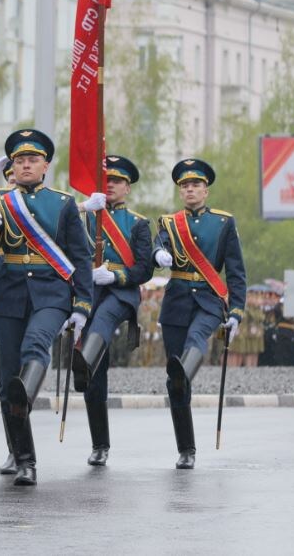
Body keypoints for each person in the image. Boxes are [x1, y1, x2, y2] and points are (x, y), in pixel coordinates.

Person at [0, 129, 93, 486]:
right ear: (12, 167)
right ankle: (21, 454)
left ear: (45, 166)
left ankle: (23, 406)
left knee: (36, 346)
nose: (26, 165)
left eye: (33, 160)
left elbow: (81, 256)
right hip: (8, 292)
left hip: (50, 293)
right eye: (20, 160)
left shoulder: (63, 203)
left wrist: (82, 304)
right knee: (8, 377)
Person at [153, 158, 246, 469]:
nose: (190, 189)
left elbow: (236, 272)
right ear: (181, 192)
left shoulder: (223, 223)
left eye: (196, 185)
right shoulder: (168, 223)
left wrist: (236, 311)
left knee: (196, 339)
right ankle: (186, 449)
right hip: (176, 303)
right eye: (185, 186)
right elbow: (158, 245)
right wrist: (158, 253)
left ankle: (185, 371)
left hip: (208, 300)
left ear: (206, 190)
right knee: (176, 383)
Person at [72, 155, 155, 467]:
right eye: (107, 180)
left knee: (103, 322)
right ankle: (100, 445)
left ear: (127, 188)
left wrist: (117, 276)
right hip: (90, 291)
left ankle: (85, 358)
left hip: (121, 293)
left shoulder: (138, 223)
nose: (110, 186)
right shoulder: (88, 217)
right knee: (95, 378)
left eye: (117, 181)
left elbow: (144, 269)